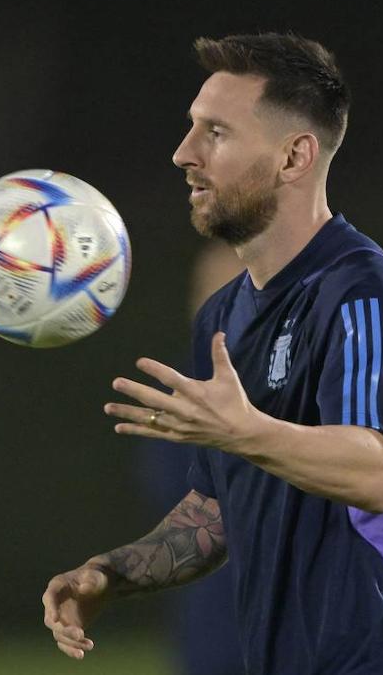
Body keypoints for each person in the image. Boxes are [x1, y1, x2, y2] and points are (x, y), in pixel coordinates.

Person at [42, 33, 383, 673]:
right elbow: (214, 516)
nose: (184, 154)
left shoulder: (359, 291)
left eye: (216, 133)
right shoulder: (223, 315)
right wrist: (109, 574)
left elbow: (379, 472)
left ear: (295, 157)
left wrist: (244, 431)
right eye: (192, 128)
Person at [136, 239, 246, 675]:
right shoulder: (176, 396)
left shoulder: (311, 379)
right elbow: (174, 510)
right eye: (207, 293)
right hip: (211, 618)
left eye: (234, 293)